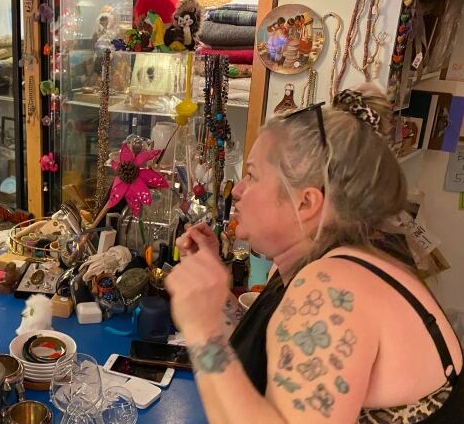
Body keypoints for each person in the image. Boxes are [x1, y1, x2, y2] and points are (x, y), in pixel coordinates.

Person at [167, 85, 463, 423]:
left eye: (252, 175)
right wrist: (212, 291)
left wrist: (203, 333)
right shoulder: (331, 259)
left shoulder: (329, 290)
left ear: (306, 203)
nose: (238, 190)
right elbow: (264, 353)